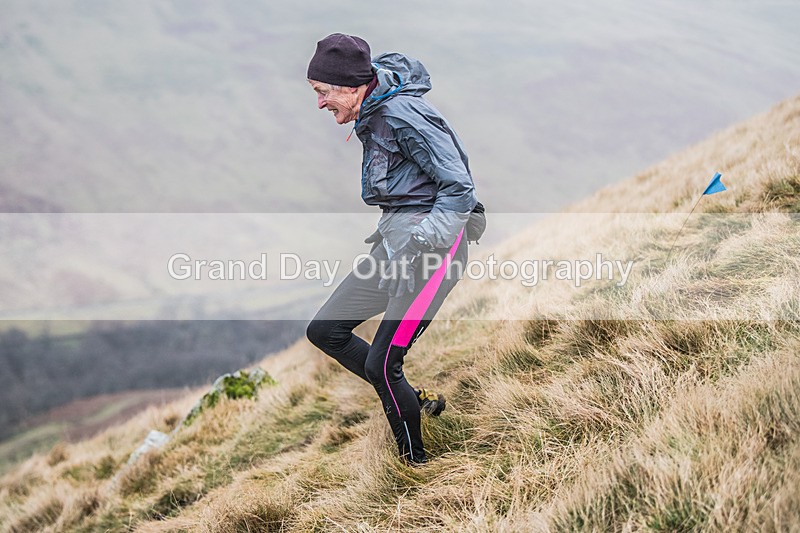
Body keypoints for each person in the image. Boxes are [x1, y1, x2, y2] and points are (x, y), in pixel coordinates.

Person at [304, 33, 484, 465]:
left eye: (323, 93)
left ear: (350, 86)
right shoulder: (372, 111)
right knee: (325, 330)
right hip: (396, 245)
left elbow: (459, 187)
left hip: (432, 252)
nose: (320, 103)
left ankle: (414, 468)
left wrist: (421, 245)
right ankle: (414, 404)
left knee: (382, 364)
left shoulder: (402, 115)